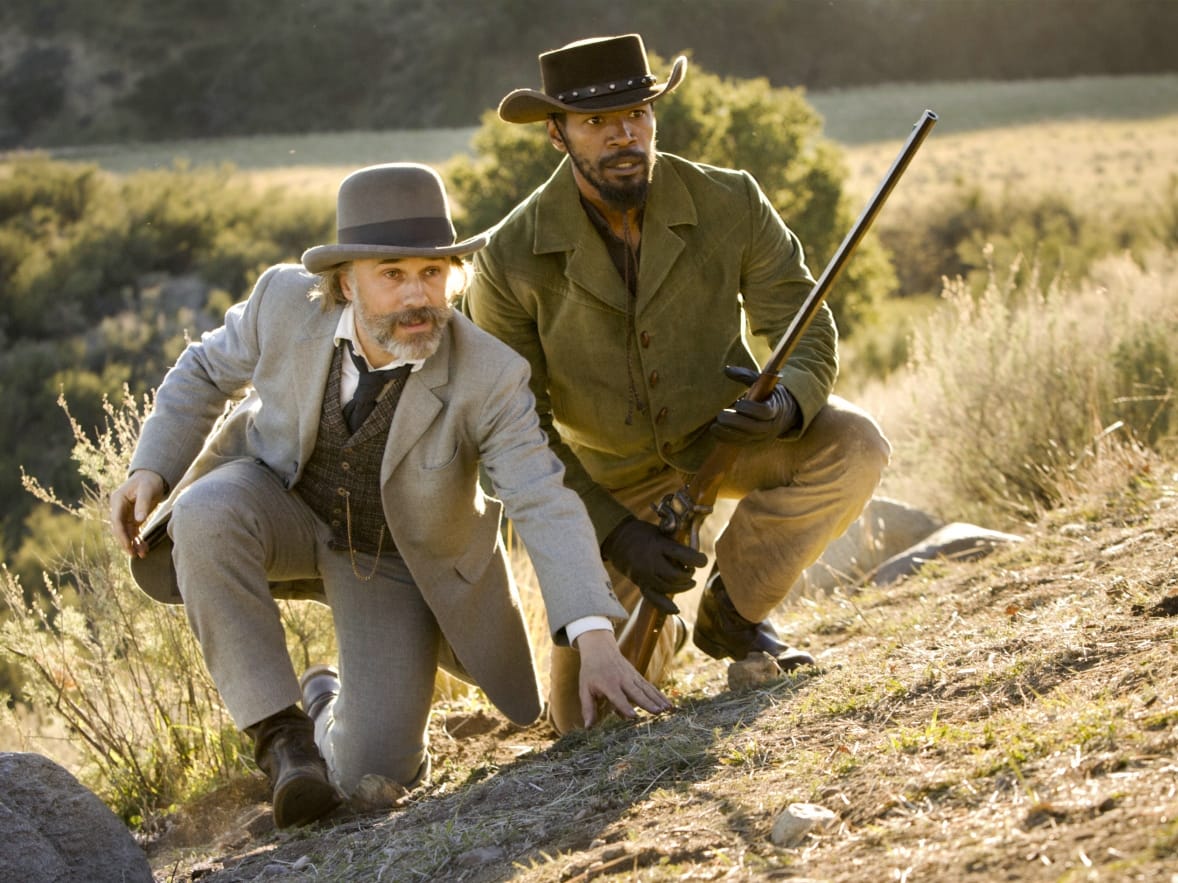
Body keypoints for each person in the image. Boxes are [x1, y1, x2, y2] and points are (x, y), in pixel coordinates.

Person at [108, 162, 671, 829]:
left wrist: (595, 635)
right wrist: (152, 468)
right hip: (279, 507)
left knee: (374, 772)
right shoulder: (282, 302)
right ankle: (282, 740)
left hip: (391, 558)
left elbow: (540, 496)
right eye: (393, 274)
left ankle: (324, 703)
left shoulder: (490, 376)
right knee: (206, 511)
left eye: (432, 273)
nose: (416, 296)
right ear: (347, 282)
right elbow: (204, 368)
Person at [464, 34, 892, 735]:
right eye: (597, 121)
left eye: (636, 113)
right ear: (556, 134)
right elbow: (514, 430)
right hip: (608, 486)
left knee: (857, 445)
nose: (623, 135)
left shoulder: (733, 200)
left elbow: (806, 323)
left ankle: (734, 611)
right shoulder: (507, 258)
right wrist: (616, 534)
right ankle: (663, 629)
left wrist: (786, 406)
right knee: (586, 723)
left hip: (731, 440)